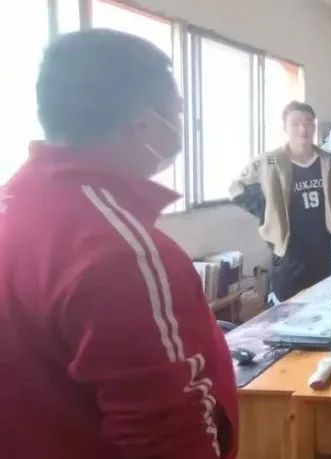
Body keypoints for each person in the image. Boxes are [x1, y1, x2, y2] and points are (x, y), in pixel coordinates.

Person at [0, 30, 237, 459]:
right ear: (143, 123)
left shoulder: (17, 206)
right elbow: (168, 438)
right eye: (177, 112)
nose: (181, 126)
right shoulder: (120, 252)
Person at [230, 102, 331, 302]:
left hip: (321, 247)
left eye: (308, 123)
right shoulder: (270, 161)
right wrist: (268, 212)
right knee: (287, 307)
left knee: (321, 302)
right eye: (295, 124)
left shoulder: (327, 160)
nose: (303, 129)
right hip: (288, 250)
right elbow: (237, 189)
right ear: (285, 127)